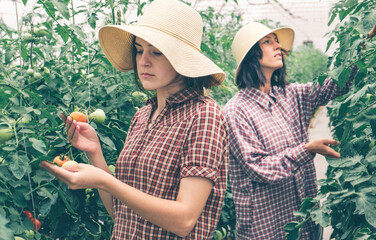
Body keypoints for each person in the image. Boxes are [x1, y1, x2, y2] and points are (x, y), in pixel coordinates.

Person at [39, 0, 229, 239]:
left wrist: (105, 181)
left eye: (156, 52)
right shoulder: (143, 115)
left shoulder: (204, 116)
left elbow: (184, 220)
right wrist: (95, 151)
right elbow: (121, 214)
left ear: (183, 59)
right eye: (139, 50)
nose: (143, 61)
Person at [223, 22, 359, 239]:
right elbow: (259, 167)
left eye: (277, 41)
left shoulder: (290, 95)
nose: (278, 46)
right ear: (251, 56)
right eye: (268, 42)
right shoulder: (236, 110)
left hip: (305, 221)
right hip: (266, 228)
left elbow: (335, 85)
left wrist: (361, 46)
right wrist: (307, 150)